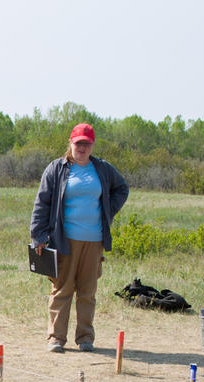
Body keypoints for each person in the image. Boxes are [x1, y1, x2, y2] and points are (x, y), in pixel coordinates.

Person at [30, 123, 129, 353]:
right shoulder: (57, 169)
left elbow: (121, 189)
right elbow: (41, 202)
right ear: (70, 143)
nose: (82, 148)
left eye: (86, 143)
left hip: (94, 241)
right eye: (78, 143)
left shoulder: (102, 169)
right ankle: (56, 338)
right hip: (63, 240)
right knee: (62, 289)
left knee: (87, 291)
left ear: (92, 145)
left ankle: (85, 338)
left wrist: (107, 211)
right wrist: (38, 236)